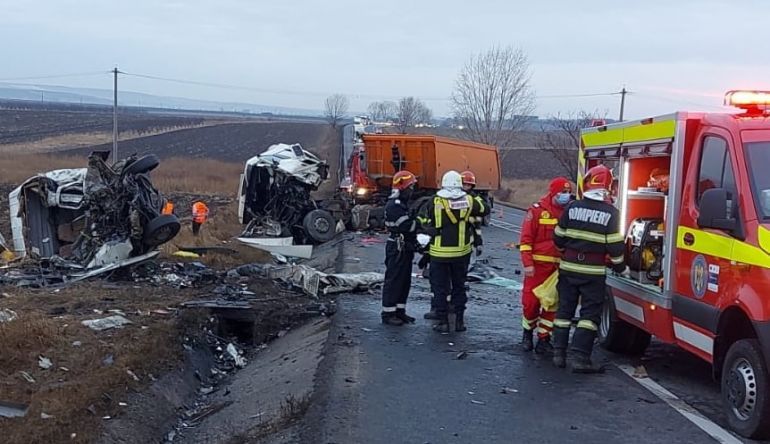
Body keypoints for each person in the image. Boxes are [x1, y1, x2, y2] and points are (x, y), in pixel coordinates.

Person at [552, 165, 627, 373]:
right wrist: (621, 267)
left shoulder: (572, 208)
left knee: (564, 310)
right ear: (608, 187)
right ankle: (580, 357)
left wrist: (566, 250)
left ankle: (558, 353)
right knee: (589, 315)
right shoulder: (611, 213)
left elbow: (558, 236)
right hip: (593, 273)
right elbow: (615, 246)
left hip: (568, 268)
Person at [420, 170, 485, 333]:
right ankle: (459, 322)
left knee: (440, 288)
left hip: (439, 253)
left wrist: (428, 232)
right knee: (459, 286)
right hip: (461, 253)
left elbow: (424, 220)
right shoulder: (469, 200)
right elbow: (484, 208)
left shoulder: (435, 201)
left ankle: (443, 321)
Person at [518, 177, 573, 354]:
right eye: (562, 192)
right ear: (553, 192)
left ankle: (544, 338)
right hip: (537, 268)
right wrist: (527, 264)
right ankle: (527, 332)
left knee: (552, 305)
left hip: (558, 269)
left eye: (567, 192)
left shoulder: (570, 213)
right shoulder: (537, 211)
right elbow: (526, 240)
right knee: (531, 304)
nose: (565, 196)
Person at [380, 170, 420, 326]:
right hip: (396, 247)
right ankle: (388, 313)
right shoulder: (394, 205)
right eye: (410, 187)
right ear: (402, 187)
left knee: (404, 281)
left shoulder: (402, 204)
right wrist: (421, 224)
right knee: (394, 280)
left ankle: (399, 311)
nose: (412, 191)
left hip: (404, 247)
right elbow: (406, 226)